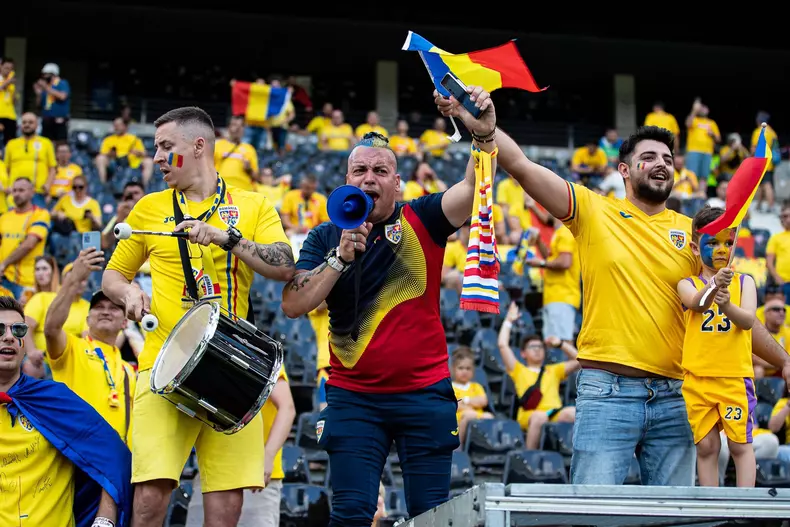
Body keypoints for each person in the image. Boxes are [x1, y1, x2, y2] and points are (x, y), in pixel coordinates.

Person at [435, 85, 790, 486]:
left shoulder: (695, 236)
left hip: (678, 396)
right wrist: (483, 128)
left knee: (677, 518)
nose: (662, 165)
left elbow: (733, 315)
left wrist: (784, 360)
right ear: (624, 169)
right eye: (649, 157)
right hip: (607, 391)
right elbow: (521, 166)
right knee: (591, 513)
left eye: (669, 160)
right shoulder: (592, 209)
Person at [281, 124, 495, 525]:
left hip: (424, 394)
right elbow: (294, 303)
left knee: (432, 517)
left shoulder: (423, 217)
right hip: (354, 396)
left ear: (397, 182)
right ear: (347, 180)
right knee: (350, 515)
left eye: (380, 171)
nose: (369, 178)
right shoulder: (325, 235)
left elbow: (472, 188)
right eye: (360, 170)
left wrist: (482, 134)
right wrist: (339, 258)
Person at [102, 106, 295, 527]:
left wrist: (229, 239)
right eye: (156, 148)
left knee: (225, 508)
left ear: (198, 146)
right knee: (151, 496)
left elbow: (284, 264)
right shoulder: (149, 209)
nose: (156, 158)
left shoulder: (253, 204)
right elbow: (113, 275)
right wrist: (128, 291)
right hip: (162, 365)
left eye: (166, 147)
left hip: (233, 368)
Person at [0, 295, 132, 527]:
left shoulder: (54, 400)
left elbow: (114, 458)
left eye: (19, 330)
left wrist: (104, 519)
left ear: (25, 345)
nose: (9, 337)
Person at [676, 206, 757, 486]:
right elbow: (697, 303)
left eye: (728, 242)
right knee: (707, 446)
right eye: (713, 242)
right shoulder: (686, 283)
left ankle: (747, 507)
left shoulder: (745, 282)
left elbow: (747, 321)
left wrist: (727, 304)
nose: (722, 249)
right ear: (695, 248)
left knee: (739, 444)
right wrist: (713, 287)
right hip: (698, 379)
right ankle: (711, 505)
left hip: (734, 377)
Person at [44, 248, 136, 445]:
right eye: (99, 307)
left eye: (114, 308)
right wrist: (73, 280)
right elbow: (51, 329)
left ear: (124, 323)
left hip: (117, 462)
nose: (106, 311)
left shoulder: (128, 370)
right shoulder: (72, 348)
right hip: (78, 455)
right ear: (88, 319)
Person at [497, 302, 579, 449]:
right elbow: (503, 345)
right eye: (532, 347)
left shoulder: (553, 370)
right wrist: (509, 321)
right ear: (523, 353)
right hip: (530, 414)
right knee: (539, 417)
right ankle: (530, 455)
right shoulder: (518, 369)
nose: (537, 350)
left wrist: (561, 344)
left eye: (540, 347)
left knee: (574, 412)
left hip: (554, 413)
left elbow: (579, 361)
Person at [451, 346, 494, 445]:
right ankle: (458, 447)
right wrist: (472, 404)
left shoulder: (476, 386)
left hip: (478, 417)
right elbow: (454, 406)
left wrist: (465, 401)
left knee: (490, 417)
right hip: (457, 421)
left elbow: (483, 401)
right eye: (461, 368)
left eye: (468, 368)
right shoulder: (450, 387)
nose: (464, 371)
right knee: (467, 415)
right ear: (453, 369)